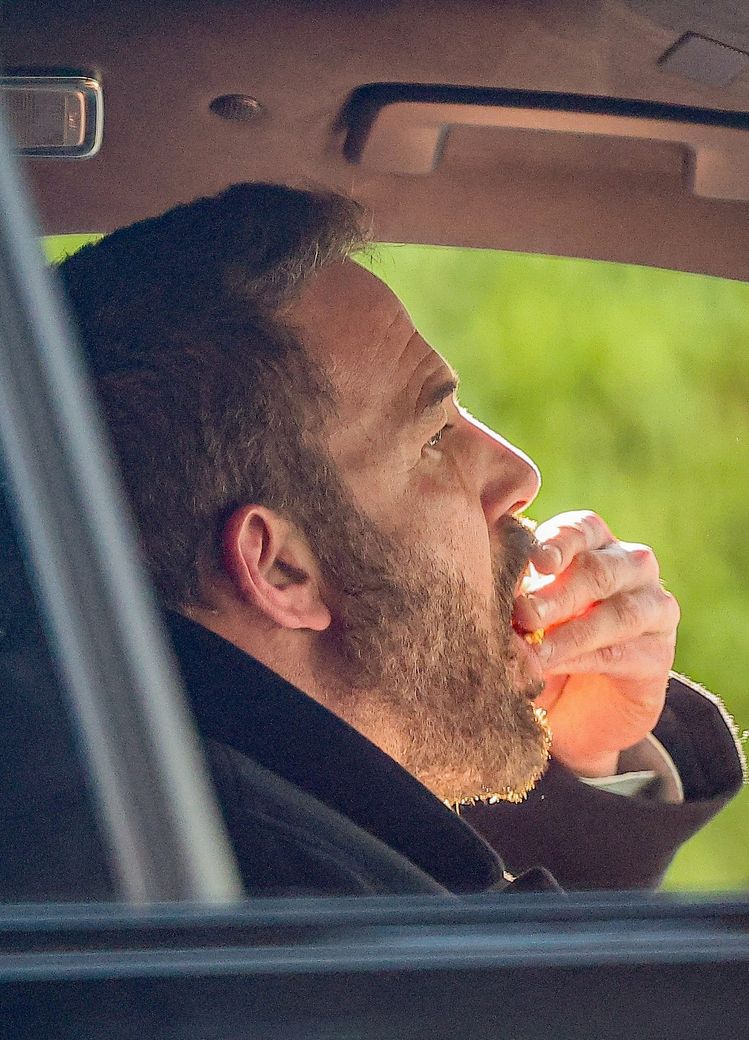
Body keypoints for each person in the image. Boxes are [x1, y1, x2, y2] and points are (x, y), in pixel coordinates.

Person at [57, 183, 745, 895]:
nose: (520, 475)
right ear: (281, 567)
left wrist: (584, 762)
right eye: (434, 437)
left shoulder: (198, 827)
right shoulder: (297, 892)